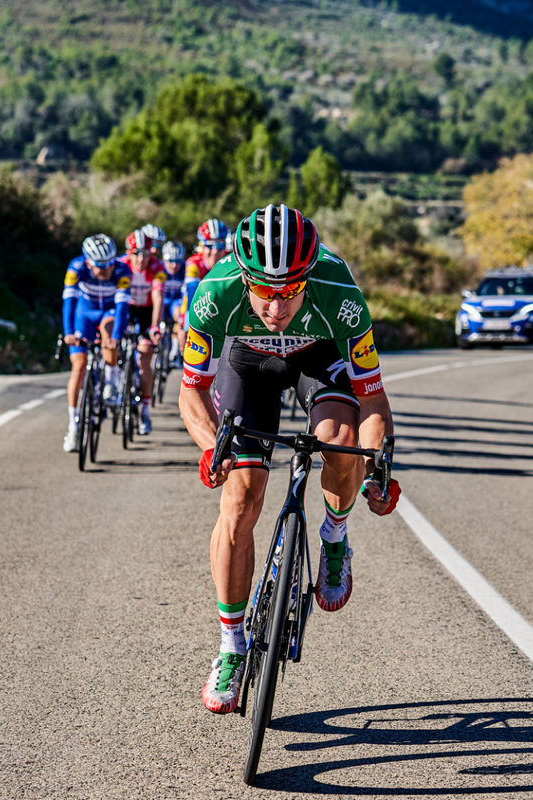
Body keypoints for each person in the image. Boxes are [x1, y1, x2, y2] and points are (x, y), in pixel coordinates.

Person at [177, 204, 402, 714]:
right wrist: (212, 447)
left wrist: (378, 469)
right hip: (247, 362)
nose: (276, 308)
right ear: (244, 278)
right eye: (264, 291)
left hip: (317, 358)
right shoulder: (214, 294)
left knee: (339, 440)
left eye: (291, 291)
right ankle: (231, 646)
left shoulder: (339, 292)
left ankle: (334, 535)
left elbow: (372, 400)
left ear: (309, 277)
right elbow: (192, 391)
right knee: (240, 498)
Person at [62, 234, 131, 453]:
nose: (107, 269)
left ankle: (110, 379)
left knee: (109, 332)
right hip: (84, 314)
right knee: (79, 367)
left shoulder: (122, 270)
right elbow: (69, 301)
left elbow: (122, 307)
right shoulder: (76, 268)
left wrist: (116, 337)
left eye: (110, 263)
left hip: (109, 313)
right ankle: (73, 426)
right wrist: (68, 333)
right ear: (89, 262)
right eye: (100, 266)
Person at [124, 229, 167, 435]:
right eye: (136, 254)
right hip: (126, 309)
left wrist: (155, 326)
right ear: (128, 253)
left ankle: (145, 412)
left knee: (145, 357)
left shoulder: (157, 267)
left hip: (147, 312)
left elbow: (158, 298)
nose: (141, 259)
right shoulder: (121, 265)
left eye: (145, 254)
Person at [183, 218, 230, 308]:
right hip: (197, 304)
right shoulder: (194, 263)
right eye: (210, 245)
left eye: (219, 245)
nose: (215, 251)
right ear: (202, 246)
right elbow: (192, 297)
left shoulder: (231, 259)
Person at [160, 240, 189, 367]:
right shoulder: (159, 268)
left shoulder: (185, 269)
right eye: (170, 261)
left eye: (177, 261)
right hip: (163, 300)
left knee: (179, 314)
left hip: (176, 301)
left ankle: (175, 349)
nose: (174, 265)